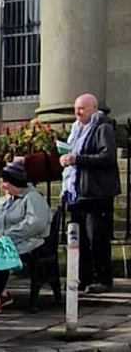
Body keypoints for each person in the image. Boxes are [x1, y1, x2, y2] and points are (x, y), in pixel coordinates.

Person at [0, 160, 51, 315]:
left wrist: (6, 236)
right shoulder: (4, 200)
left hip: (27, 242)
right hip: (0, 239)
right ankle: (2, 293)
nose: (2, 186)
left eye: (5, 182)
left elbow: (35, 224)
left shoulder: (32, 197)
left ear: (15, 181)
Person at [60, 93, 119, 294]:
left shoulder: (103, 128)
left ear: (94, 108)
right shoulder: (77, 130)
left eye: (82, 108)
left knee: (97, 238)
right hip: (78, 193)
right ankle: (83, 278)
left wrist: (78, 159)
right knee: (80, 239)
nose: (77, 112)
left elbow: (107, 157)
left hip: (97, 193)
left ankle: (102, 278)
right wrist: (66, 159)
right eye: (76, 108)